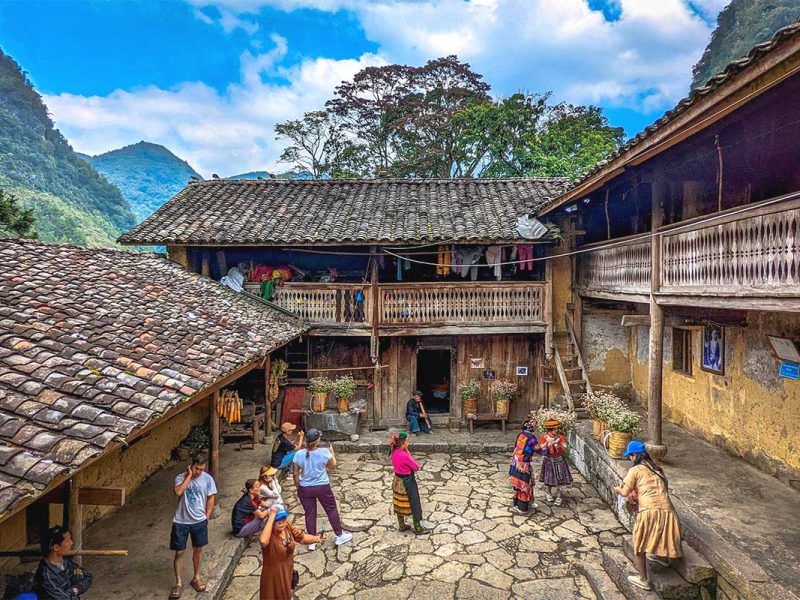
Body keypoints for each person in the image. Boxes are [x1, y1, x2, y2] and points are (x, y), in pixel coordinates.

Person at [613, 440, 683, 591]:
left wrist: (618, 489)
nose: (629, 459)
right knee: (663, 534)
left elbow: (625, 492)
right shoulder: (658, 469)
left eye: (629, 456)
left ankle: (642, 579)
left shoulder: (636, 470)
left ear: (634, 456)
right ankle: (663, 560)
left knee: (639, 544)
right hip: (669, 511)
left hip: (649, 511)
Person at [292, 428, 353, 550]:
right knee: (331, 509)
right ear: (318, 440)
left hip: (305, 487)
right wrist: (332, 453)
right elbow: (332, 467)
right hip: (322, 486)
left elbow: (295, 473)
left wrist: (297, 485)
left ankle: (312, 541)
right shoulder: (325, 452)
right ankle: (339, 534)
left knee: (309, 513)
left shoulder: (298, 454)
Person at [170, 452, 217, 599]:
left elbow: (211, 498)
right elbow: (178, 492)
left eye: (202, 469)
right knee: (179, 552)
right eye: (196, 468)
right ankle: (178, 583)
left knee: (198, 550)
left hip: (199, 521)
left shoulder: (208, 479)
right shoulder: (180, 477)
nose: (199, 472)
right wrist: (189, 476)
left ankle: (196, 577)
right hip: (181, 521)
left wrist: (206, 517)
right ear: (191, 466)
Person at [259, 506, 323, 600]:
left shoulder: (287, 527)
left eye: (283, 518)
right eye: (277, 520)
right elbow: (263, 541)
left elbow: (302, 538)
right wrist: (272, 515)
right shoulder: (269, 535)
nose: (281, 522)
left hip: (288, 569)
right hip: (275, 575)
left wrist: (317, 539)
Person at [34, 525, 93, 600]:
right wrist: (75, 588)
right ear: (56, 547)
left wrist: (76, 587)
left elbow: (88, 576)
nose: (71, 543)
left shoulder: (64, 561)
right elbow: (65, 598)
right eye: (68, 541)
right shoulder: (47, 576)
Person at [390, 432, 431, 534]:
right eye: (406, 442)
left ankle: (402, 525)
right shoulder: (404, 455)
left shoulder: (394, 452)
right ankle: (418, 528)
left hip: (397, 480)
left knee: (399, 502)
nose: (408, 443)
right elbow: (416, 467)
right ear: (403, 444)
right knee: (414, 503)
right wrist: (407, 452)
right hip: (408, 481)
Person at [538, 419, 573, 506]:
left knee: (560, 479)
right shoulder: (544, 437)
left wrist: (559, 445)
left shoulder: (560, 437)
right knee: (548, 479)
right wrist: (548, 444)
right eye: (555, 429)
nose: (557, 430)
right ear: (551, 429)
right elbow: (542, 448)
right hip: (549, 460)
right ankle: (548, 493)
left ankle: (559, 496)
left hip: (559, 460)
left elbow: (565, 448)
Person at [509, 418, 540, 513]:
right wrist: (548, 446)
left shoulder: (521, 434)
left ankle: (519, 502)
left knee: (517, 484)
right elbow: (538, 449)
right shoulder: (532, 438)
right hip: (523, 464)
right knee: (524, 484)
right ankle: (522, 506)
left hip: (515, 461)